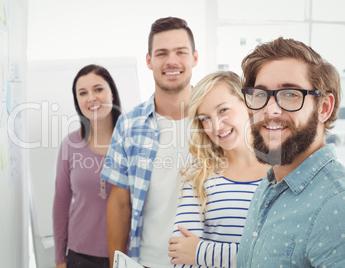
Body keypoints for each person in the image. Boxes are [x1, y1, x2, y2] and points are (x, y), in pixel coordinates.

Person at [236, 37, 345, 267]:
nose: (270, 110)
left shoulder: (338, 205)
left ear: (324, 107)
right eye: (260, 94)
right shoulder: (268, 185)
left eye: (290, 94)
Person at [100, 17, 199, 267]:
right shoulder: (129, 124)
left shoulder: (221, 122)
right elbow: (120, 203)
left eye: (181, 52)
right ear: (149, 60)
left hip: (206, 261)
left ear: (194, 58)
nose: (171, 61)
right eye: (162, 53)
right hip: (147, 262)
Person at [168, 71, 269, 267]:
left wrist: (200, 252)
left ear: (247, 104)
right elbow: (181, 255)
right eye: (205, 118)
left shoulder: (284, 172)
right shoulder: (198, 174)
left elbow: (284, 256)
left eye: (223, 110)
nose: (215, 125)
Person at [53, 64, 121, 268]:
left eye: (98, 89)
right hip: (80, 256)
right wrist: (59, 259)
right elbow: (61, 204)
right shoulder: (69, 144)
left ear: (112, 94)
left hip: (126, 253)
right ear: (77, 102)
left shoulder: (132, 143)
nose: (91, 98)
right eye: (83, 93)